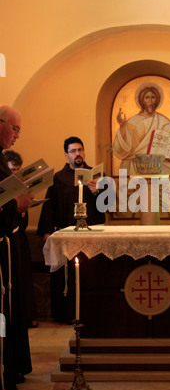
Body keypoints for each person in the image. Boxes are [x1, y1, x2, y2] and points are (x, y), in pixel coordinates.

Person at [37, 137, 106, 323]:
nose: (78, 154)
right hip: (66, 235)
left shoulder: (97, 176)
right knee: (68, 278)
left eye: (80, 150)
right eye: (73, 151)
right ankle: (66, 314)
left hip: (92, 235)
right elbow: (49, 206)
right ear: (66, 155)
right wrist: (46, 232)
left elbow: (107, 207)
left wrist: (97, 192)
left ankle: (91, 312)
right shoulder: (58, 178)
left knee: (90, 274)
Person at [0, 105, 33, 390]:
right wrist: (16, 204)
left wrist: (17, 205)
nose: (17, 136)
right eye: (15, 129)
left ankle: (7, 380)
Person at [112, 83, 170, 176]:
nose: (150, 101)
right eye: (147, 97)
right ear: (142, 100)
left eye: (153, 97)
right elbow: (121, 148)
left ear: (157, 100)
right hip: (135, 166)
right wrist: (122, 126)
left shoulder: (163, 121)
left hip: (157, 165)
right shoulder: (132, 122)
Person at [3, 150, 38, 328]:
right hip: (6, 240)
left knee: (24, 280)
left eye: (18, 170)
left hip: (20, 239)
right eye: (12, 171)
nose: (15, 174)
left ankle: (26, 315)